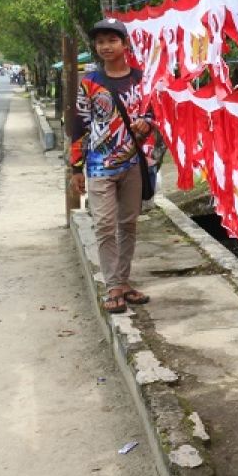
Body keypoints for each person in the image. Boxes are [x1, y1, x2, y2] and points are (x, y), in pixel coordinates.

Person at [69, 18, 155, 314]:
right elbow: (79, 123)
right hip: (98, 166)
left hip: (132, 164)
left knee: (128, 224)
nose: (105, 46)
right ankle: (113, 287)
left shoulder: (142, 80)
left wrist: (149, 122)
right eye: (100, 41)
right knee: (105, 224)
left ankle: (122, 282)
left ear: (125, 44)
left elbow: (156, 112)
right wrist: (75, 167)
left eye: (112, 40)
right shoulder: (90, 82)